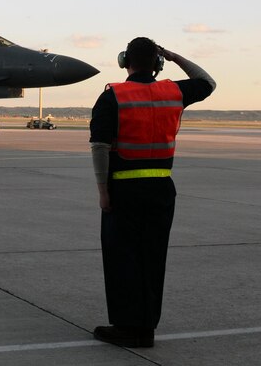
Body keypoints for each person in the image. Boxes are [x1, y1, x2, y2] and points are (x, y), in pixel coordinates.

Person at [89, 37, 215, 348]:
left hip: (124, 190)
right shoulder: (173, 92)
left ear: (124, 61)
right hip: (161, 189)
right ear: (158, 63)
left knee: (122, 259)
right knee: (152, 258)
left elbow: (101, 147)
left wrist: (103, 191)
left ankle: (127, 326)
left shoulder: (113, 96)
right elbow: (207, 81)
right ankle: (146, 327)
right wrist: (173, 56)